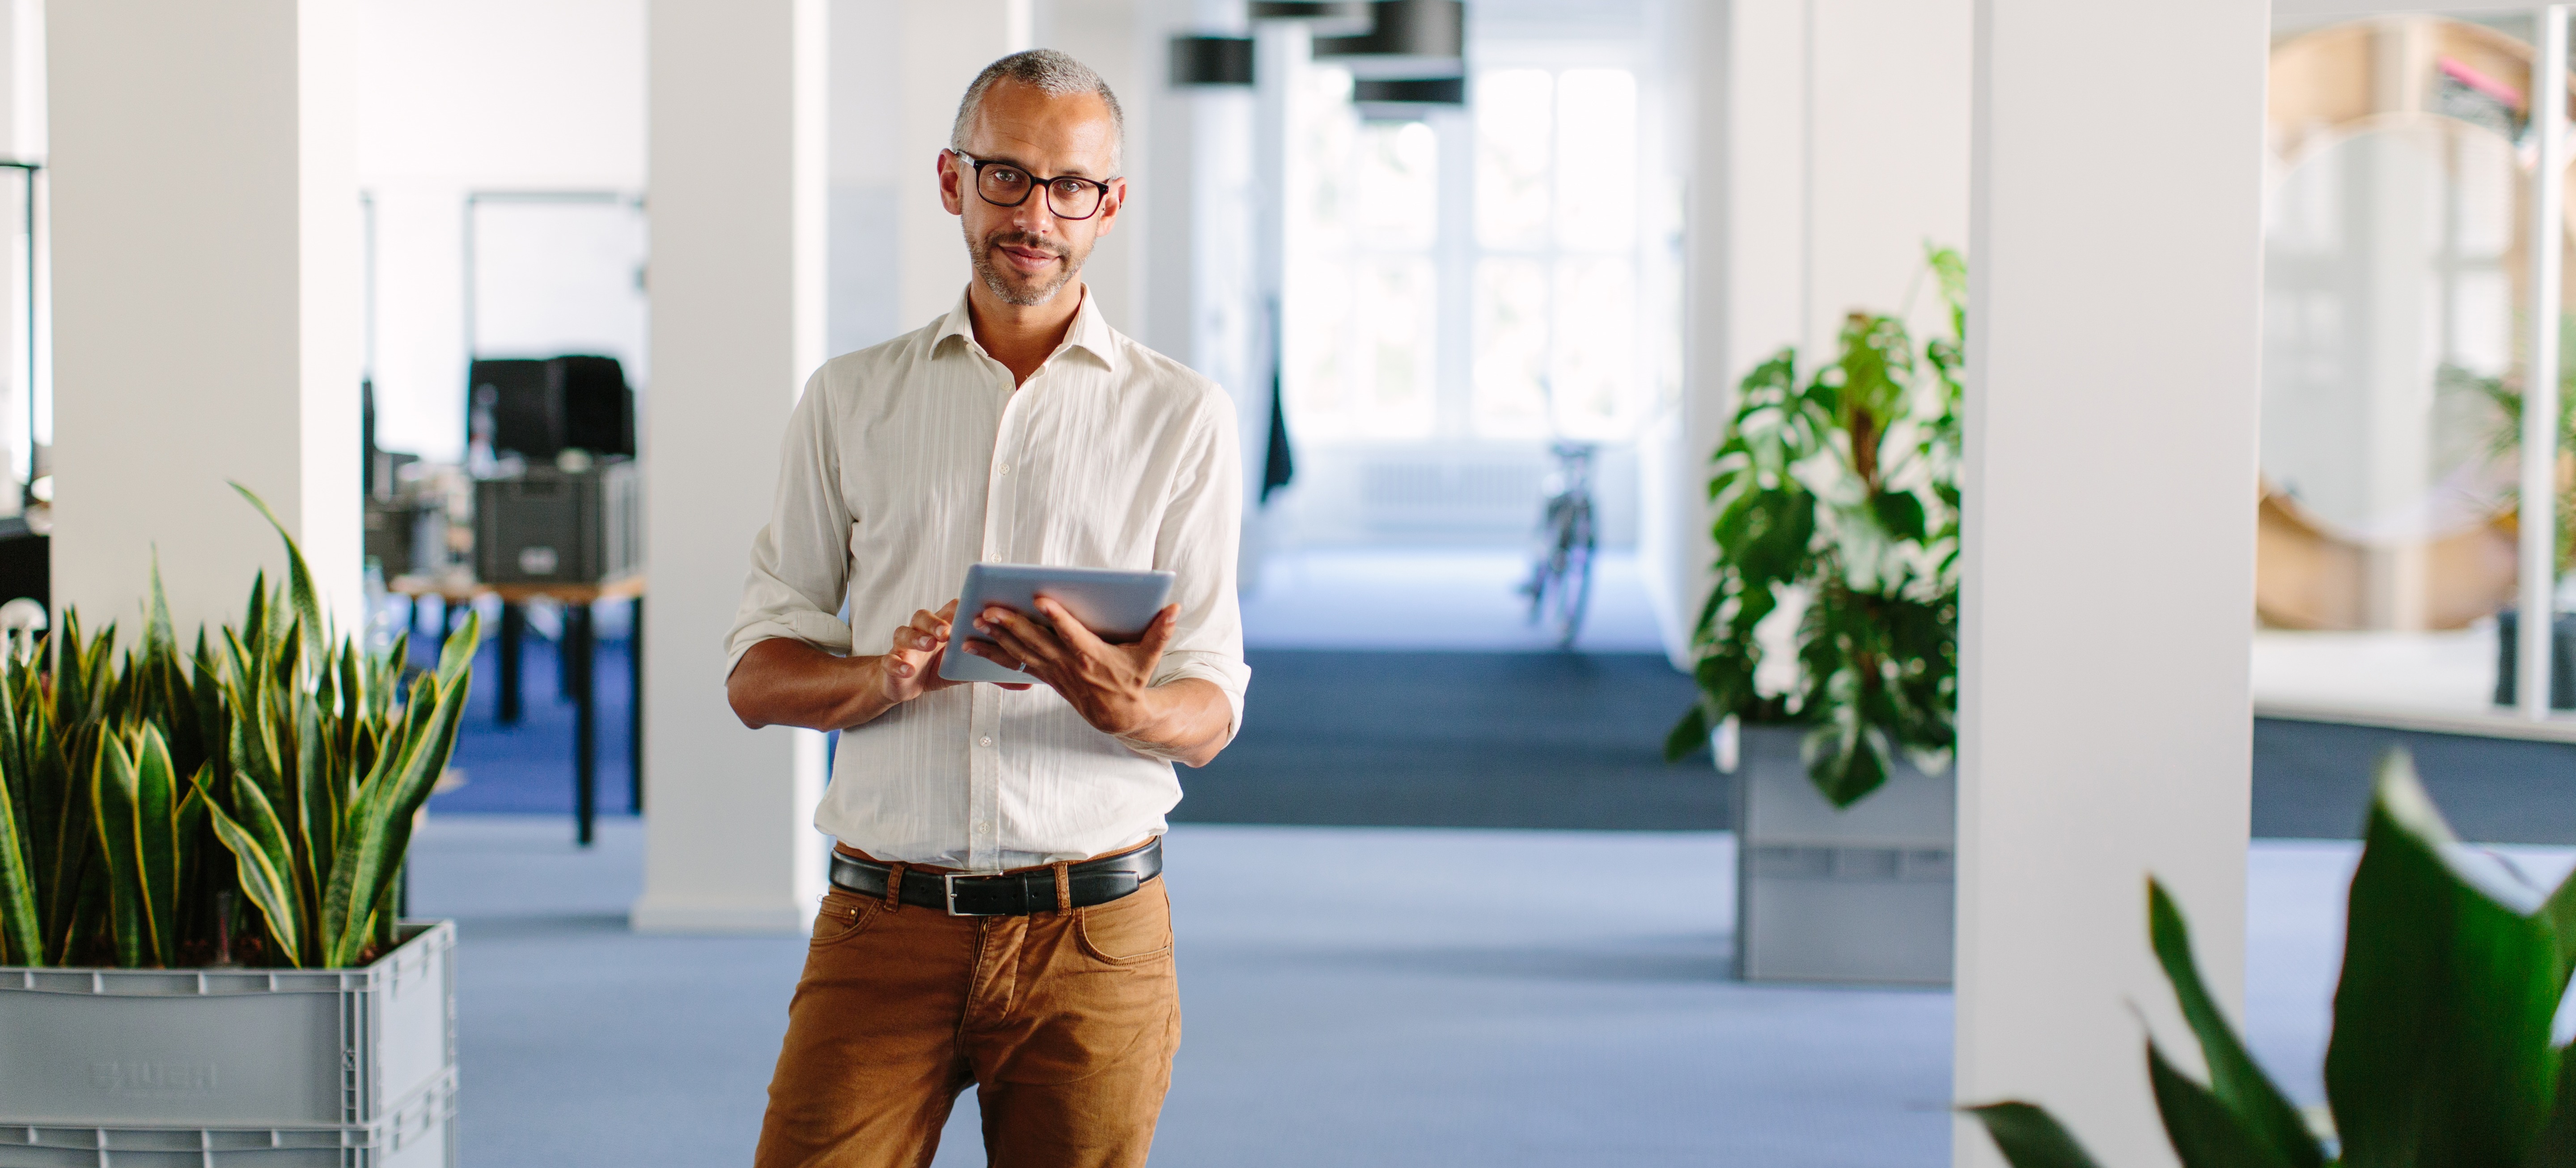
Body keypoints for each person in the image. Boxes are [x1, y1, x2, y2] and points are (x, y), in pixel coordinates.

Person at [722, 48, 1247, 1168]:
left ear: (1108, 206)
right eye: (1006, 176)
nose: (1035, 214)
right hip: (883, 924)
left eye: (1069, 187)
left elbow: (1211, 704)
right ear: (954, 180)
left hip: (1093, 937)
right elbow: (756, 678)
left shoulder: (1182, 415)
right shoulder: (850, 400)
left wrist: (1131, 710)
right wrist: (884, 676)